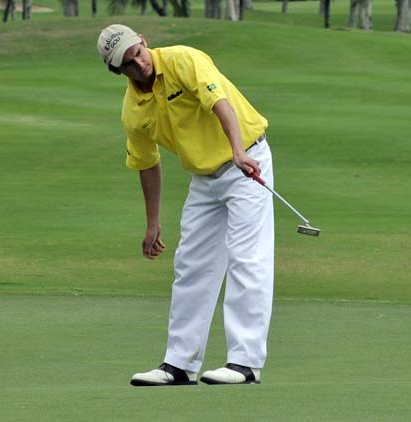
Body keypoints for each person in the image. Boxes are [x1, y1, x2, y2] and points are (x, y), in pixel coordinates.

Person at [97, 24, 274, 385]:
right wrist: (152, 224)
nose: (139, 63)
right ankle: (179, 364)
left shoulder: (183, 59)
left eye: (138, 53)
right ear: (117, 71)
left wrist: (238, 151)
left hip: (247, 160)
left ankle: (245, 361)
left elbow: (220, 103)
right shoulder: (133, 112)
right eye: (128, 63)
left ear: (144, 41)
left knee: (246, 257)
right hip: (204, 178)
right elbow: (147, 163)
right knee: (191, 265)